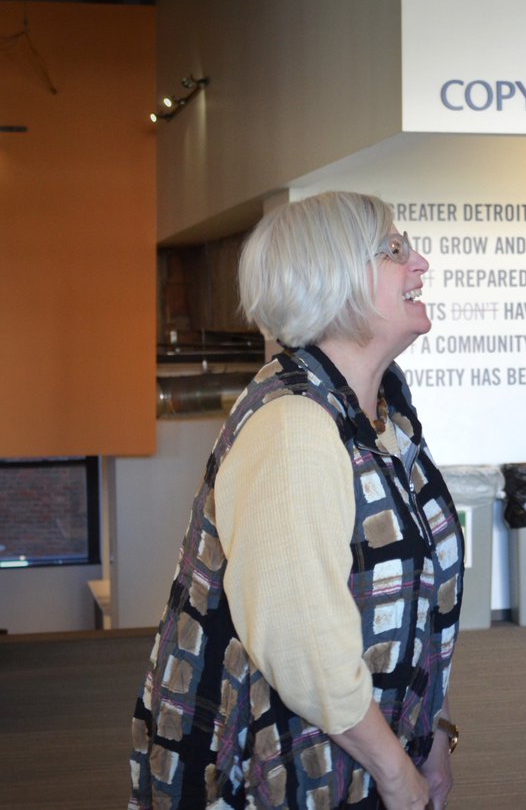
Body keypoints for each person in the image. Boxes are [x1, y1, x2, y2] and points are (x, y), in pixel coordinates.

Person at [129, 191, 464, 809]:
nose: (420, 263)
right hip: (285, 767)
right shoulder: (295, 426)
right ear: (332, 278)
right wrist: (398, 776)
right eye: (394, 250)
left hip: (368, 745)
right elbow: (303, 645)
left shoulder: (385, 410)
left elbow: (418, 601)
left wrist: (434, 735)